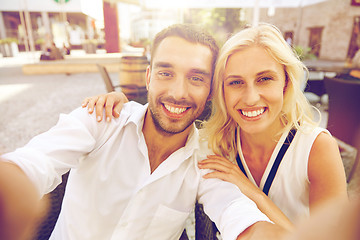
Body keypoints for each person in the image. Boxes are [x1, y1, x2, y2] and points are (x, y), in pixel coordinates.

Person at [0, 24, 284, 240]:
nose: (177, 92)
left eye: (196, 78)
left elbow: (236, 212)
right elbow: (35, 160)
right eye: (165, 73)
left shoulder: (204, 162)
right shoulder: (101, 119)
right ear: (148, 77)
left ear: (211, 91)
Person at [83, 23, 348, 229]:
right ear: (219, 90)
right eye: (235, 82)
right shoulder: (215, 143)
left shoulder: (316, 148)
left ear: (286, 83)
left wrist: (252, 192)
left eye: (265, 79)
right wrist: (122, 105)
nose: (250, 97)